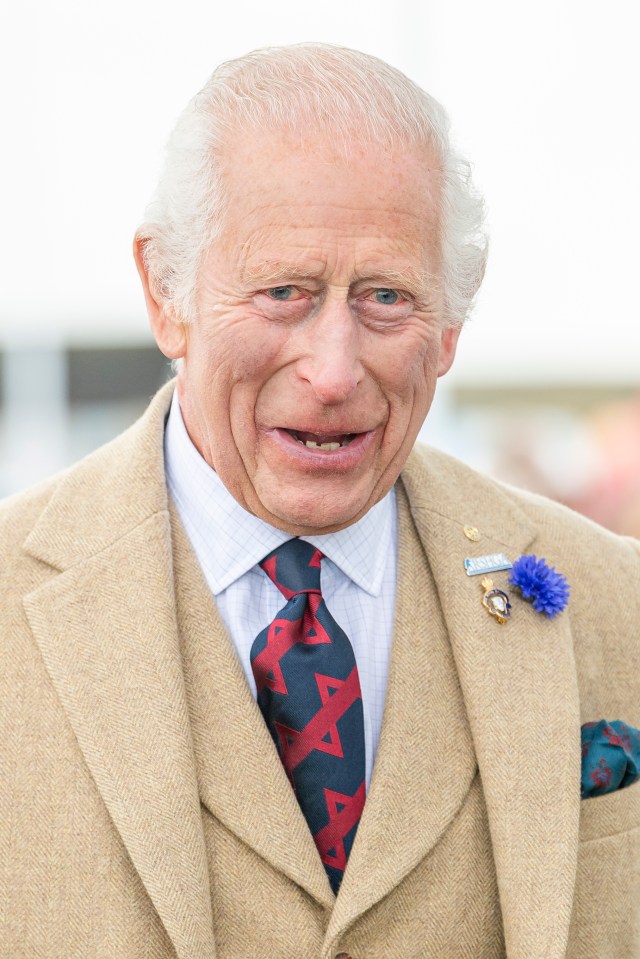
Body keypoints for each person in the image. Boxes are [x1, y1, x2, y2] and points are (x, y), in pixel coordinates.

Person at [1, 43, 638, 959]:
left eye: (386, 297)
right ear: (165, 293)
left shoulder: (616, 599)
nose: (333, 372)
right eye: (282, 293)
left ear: (452, 323)